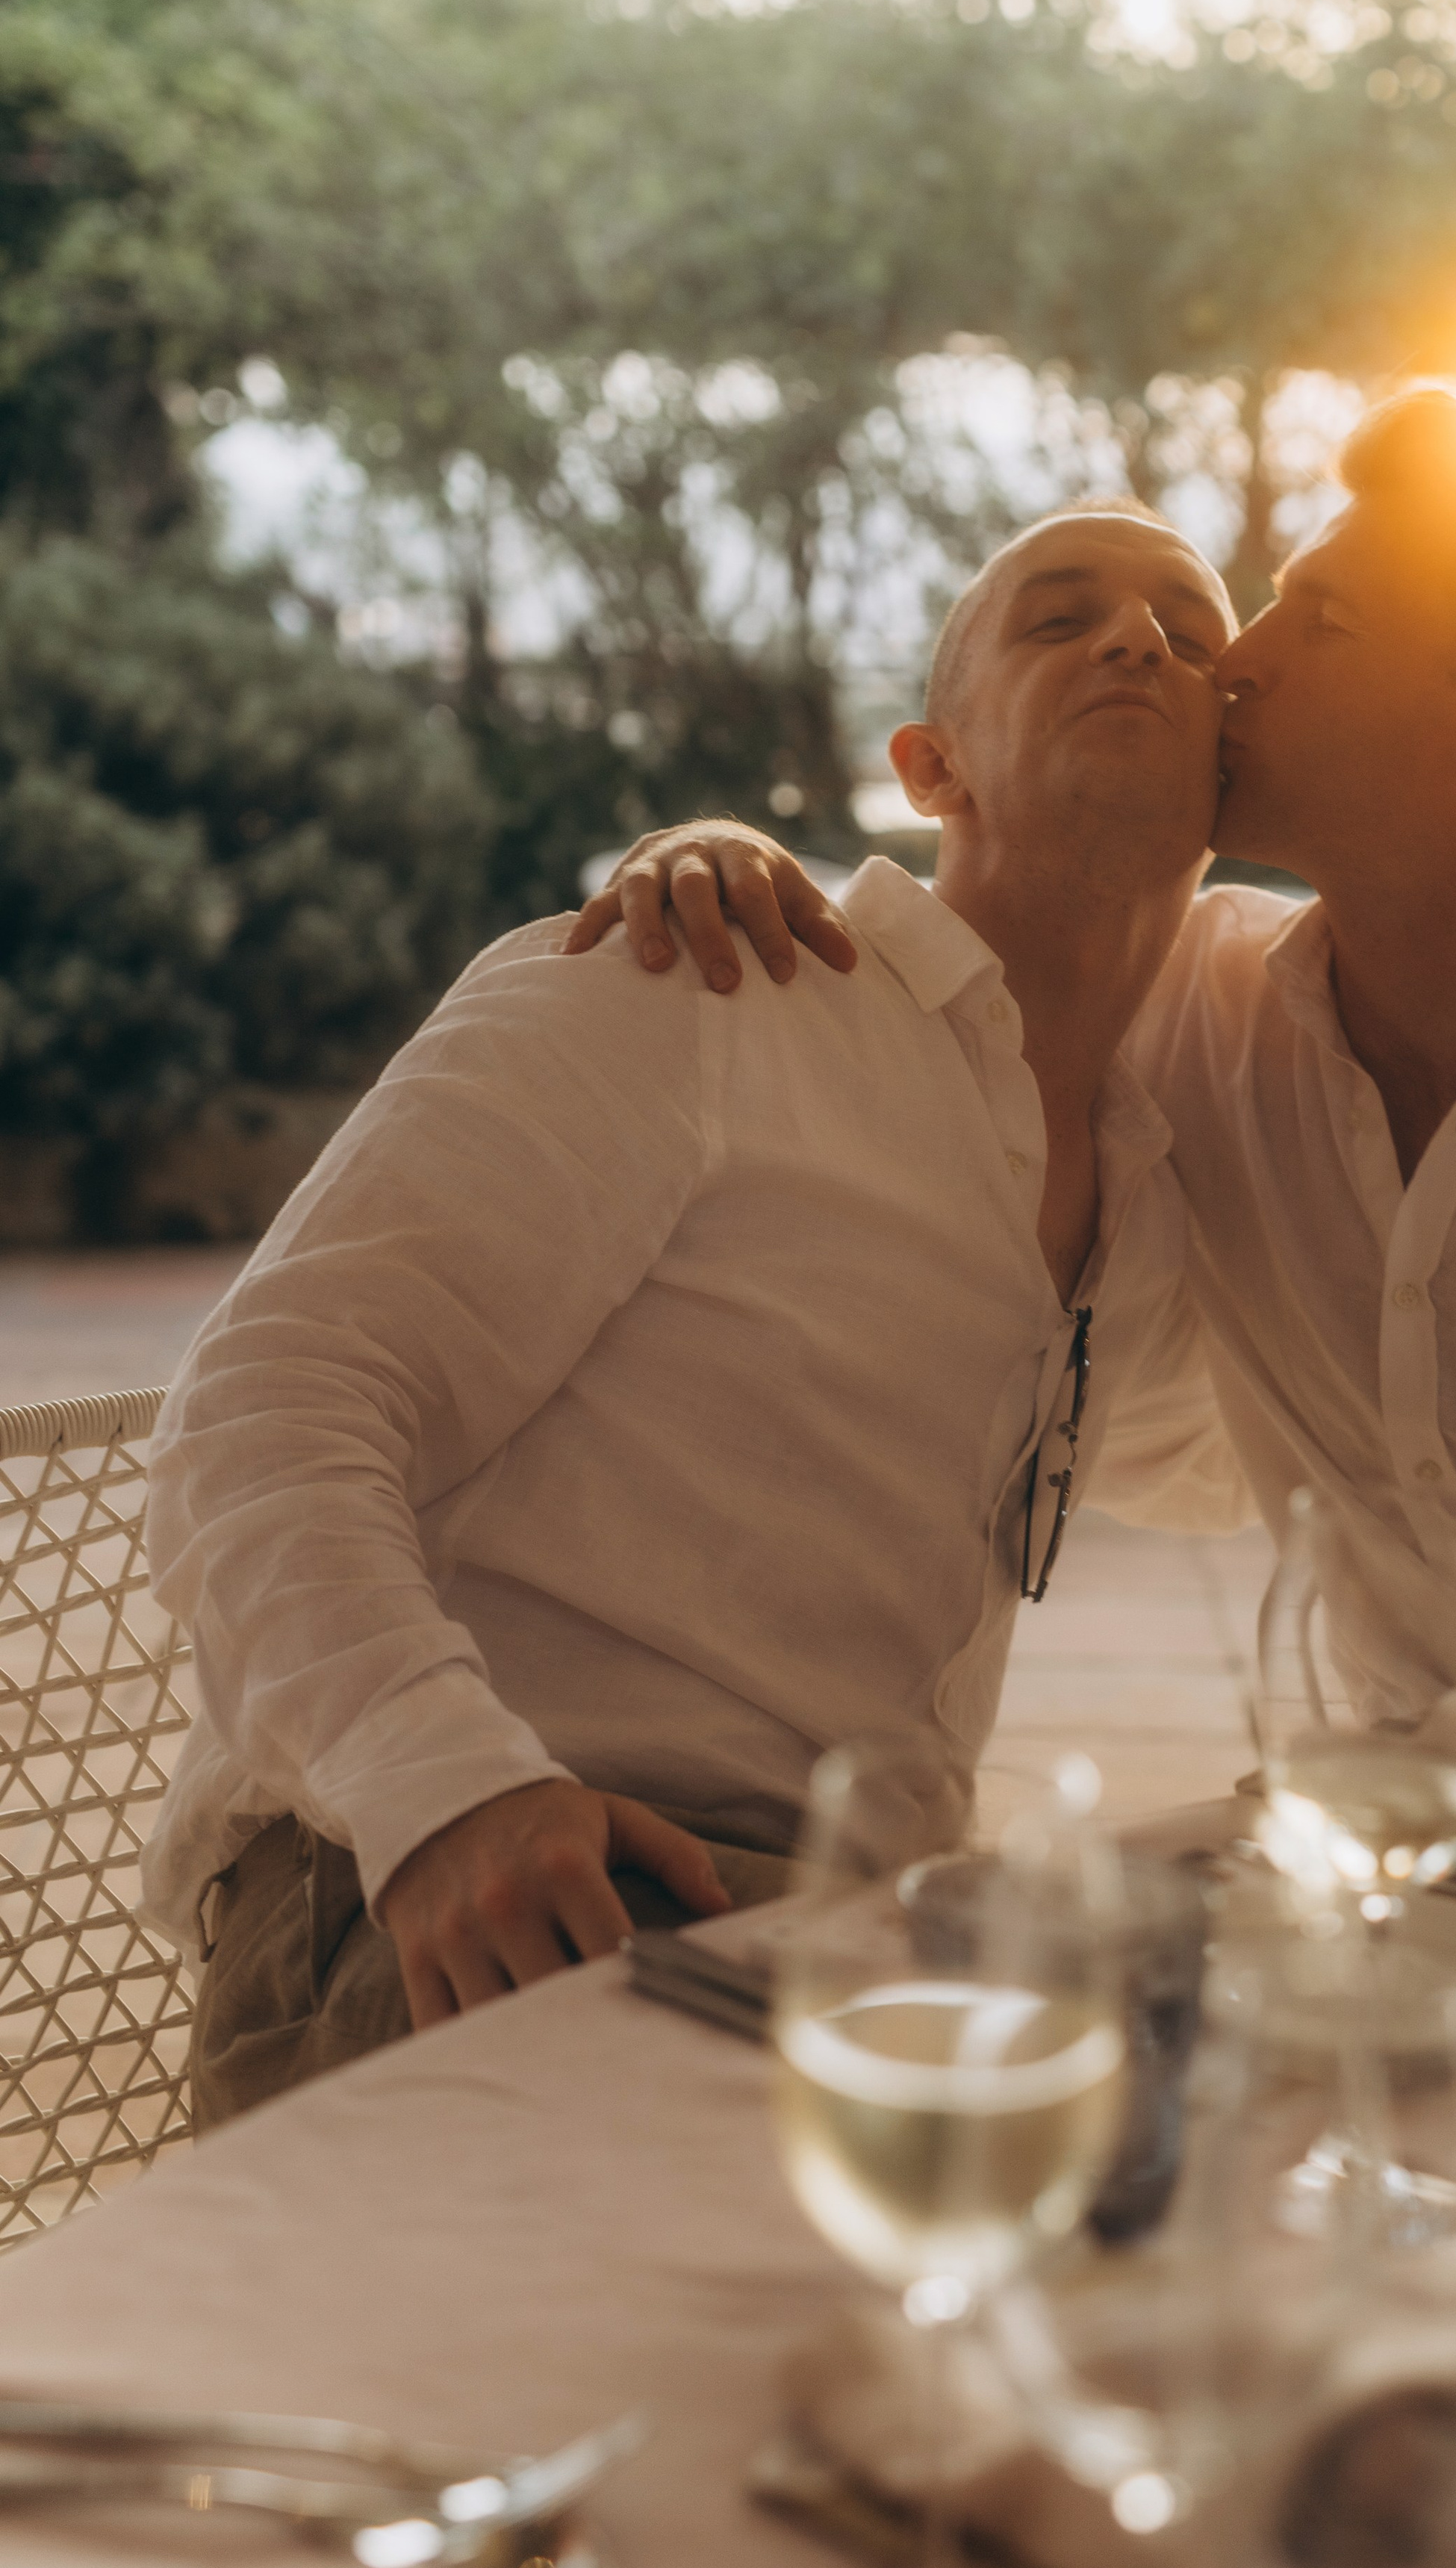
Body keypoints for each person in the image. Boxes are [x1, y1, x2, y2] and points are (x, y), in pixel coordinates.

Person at [144, 500, 1253, 2125]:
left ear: (1244, 765)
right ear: (931, 767)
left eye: (1190, 631)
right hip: (503, 1888)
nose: (1136, 638)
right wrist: (447, 1792)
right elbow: (265, 1407)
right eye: (1056, 617)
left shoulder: (1165, 1177)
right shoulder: (695, 982)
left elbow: (1291, 1453)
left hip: (839, 1948)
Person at [579, 391, 1456, 1698]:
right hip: (1378, 1859)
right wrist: (710, 853)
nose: (1238, 660)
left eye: (1320, 619)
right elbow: (943, 957)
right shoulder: (1186, 1006)